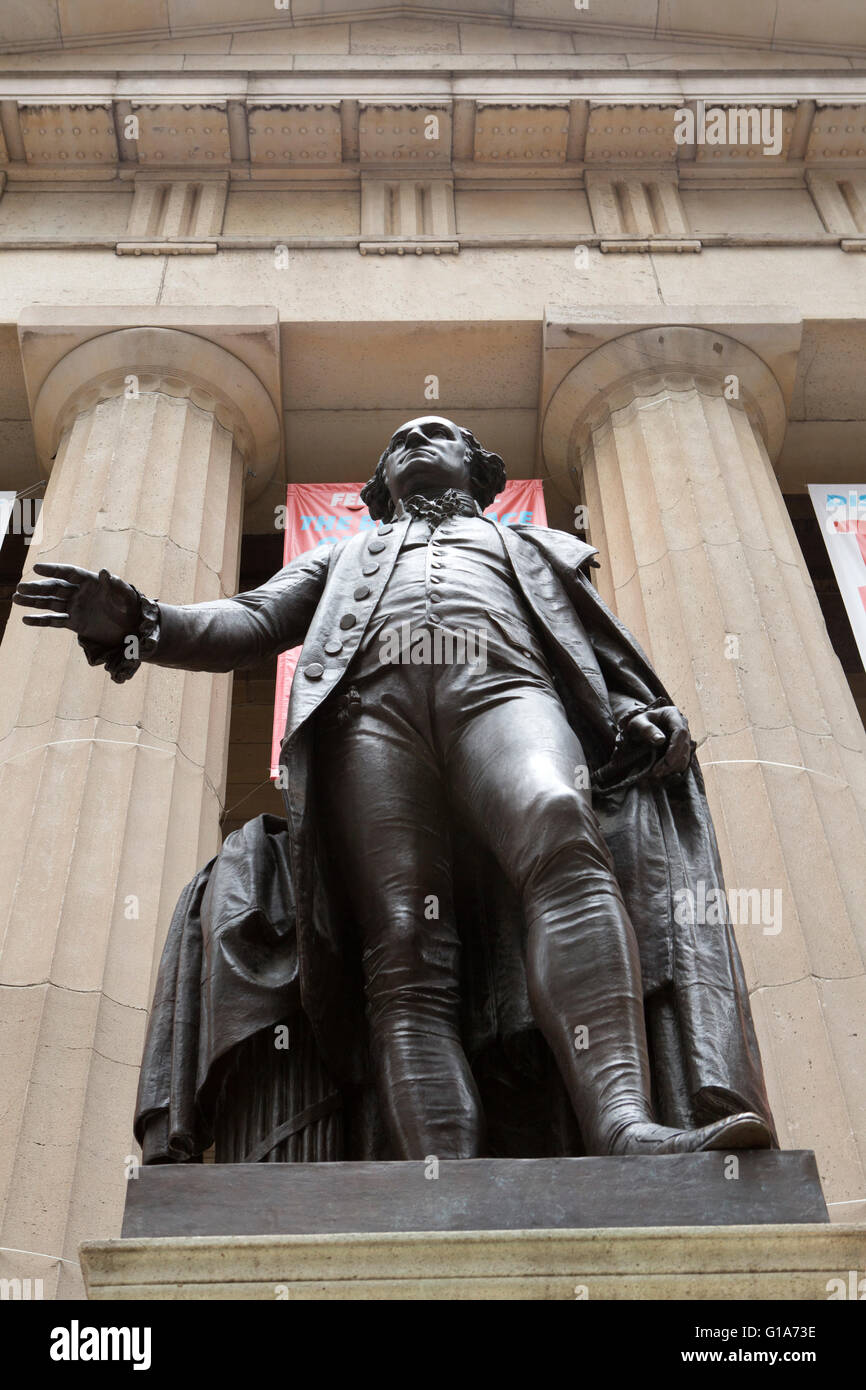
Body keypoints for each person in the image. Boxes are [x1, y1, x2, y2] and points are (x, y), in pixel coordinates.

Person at [14, 415, 775, 1160]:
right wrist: (144, 621)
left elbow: (595, 649)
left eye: (435, 433)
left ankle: (622, 1123)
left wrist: (636, 709)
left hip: (503, 693)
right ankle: (439, 1173)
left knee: (557, 821)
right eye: (398, 441)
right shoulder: (346, 556)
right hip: (371, 720)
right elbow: (248, 620)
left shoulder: (534, 545)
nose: (413, 440)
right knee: (404, 942)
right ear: (378, 484)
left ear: (477, 469)